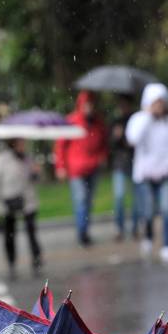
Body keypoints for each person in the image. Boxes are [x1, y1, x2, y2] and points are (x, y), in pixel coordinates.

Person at [126, 83, 168, 263]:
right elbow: (133, 138)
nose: (159, 106)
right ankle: (148, 236)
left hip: (166, 175)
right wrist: (147, 116)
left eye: (162, 102)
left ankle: (167, 245)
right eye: (155, 102)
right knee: (147, 212)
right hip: (144, 176)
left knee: (167, 209)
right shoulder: (139, 119)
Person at [55, 91, 108, 246]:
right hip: (76, 170)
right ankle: (82, 232)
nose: (88, 108)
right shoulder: (72, 121)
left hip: (93, 168)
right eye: (86, 105)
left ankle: (85, 230)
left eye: (90, 105)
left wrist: (102, 156)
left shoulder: (98, 123)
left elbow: (103, 144)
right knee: (81, 200)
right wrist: (60, 166)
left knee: (89, 202)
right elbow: (60, 146)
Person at [0, 138, 43, 271]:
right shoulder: (0, 160)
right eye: (20, 142)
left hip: (28, 201)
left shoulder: (28, 159)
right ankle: (11, 261)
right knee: (9, 234)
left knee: (32, 231)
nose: (23, 145)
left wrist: (36, 173)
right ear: (12, 143)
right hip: (8, 202)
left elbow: (35, 180)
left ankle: (36, 258)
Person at [109, 94, 139, 241]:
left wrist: (130, 141)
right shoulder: (116, 122)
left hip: (134, 163)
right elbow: (111, 145)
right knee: (119, 196)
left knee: (136, 198)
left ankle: (135, 227)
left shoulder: (136, 120)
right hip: (120, 164)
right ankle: (119, 228)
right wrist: (116, 137)